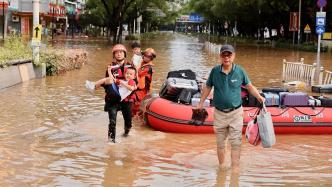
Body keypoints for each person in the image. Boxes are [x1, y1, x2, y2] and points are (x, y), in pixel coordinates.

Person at [197, 44, 265, 173]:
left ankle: (235, 169)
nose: (226, 57)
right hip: (219, 113)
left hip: (236, 113)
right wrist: (200, 103)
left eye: (229, 55)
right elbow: (208, 87)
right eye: (224, 55)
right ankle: (222, 168)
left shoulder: (240, 71)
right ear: (220, 56)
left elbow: (249, 86)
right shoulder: (215, 71)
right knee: (220, 143)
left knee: (236, 142)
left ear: (234, 56)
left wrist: (259, 97)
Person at [95, 44, 136, 143]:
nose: (119, 54)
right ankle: (111, 142)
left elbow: (136, 82)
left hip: (127, 99)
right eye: (116, 53)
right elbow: (107, 83)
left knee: (128, 123)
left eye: (121, 52)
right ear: (114, 55)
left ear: (124, 54)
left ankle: (126, 133)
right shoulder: (110, 68)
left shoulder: (131, 66)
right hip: (113, 99)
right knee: (112, 122)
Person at [131, 48, 156, 116]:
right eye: (146, 55)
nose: (147, 58)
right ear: (143, 55)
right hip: (137, 88)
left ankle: (136, 122)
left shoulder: (148, 68)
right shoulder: (141, 62)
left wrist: (137, 65)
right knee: (132, 105)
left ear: (152, 58)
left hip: (142, 90)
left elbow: (137, 72)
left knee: (137, 106)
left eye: (149, 57)